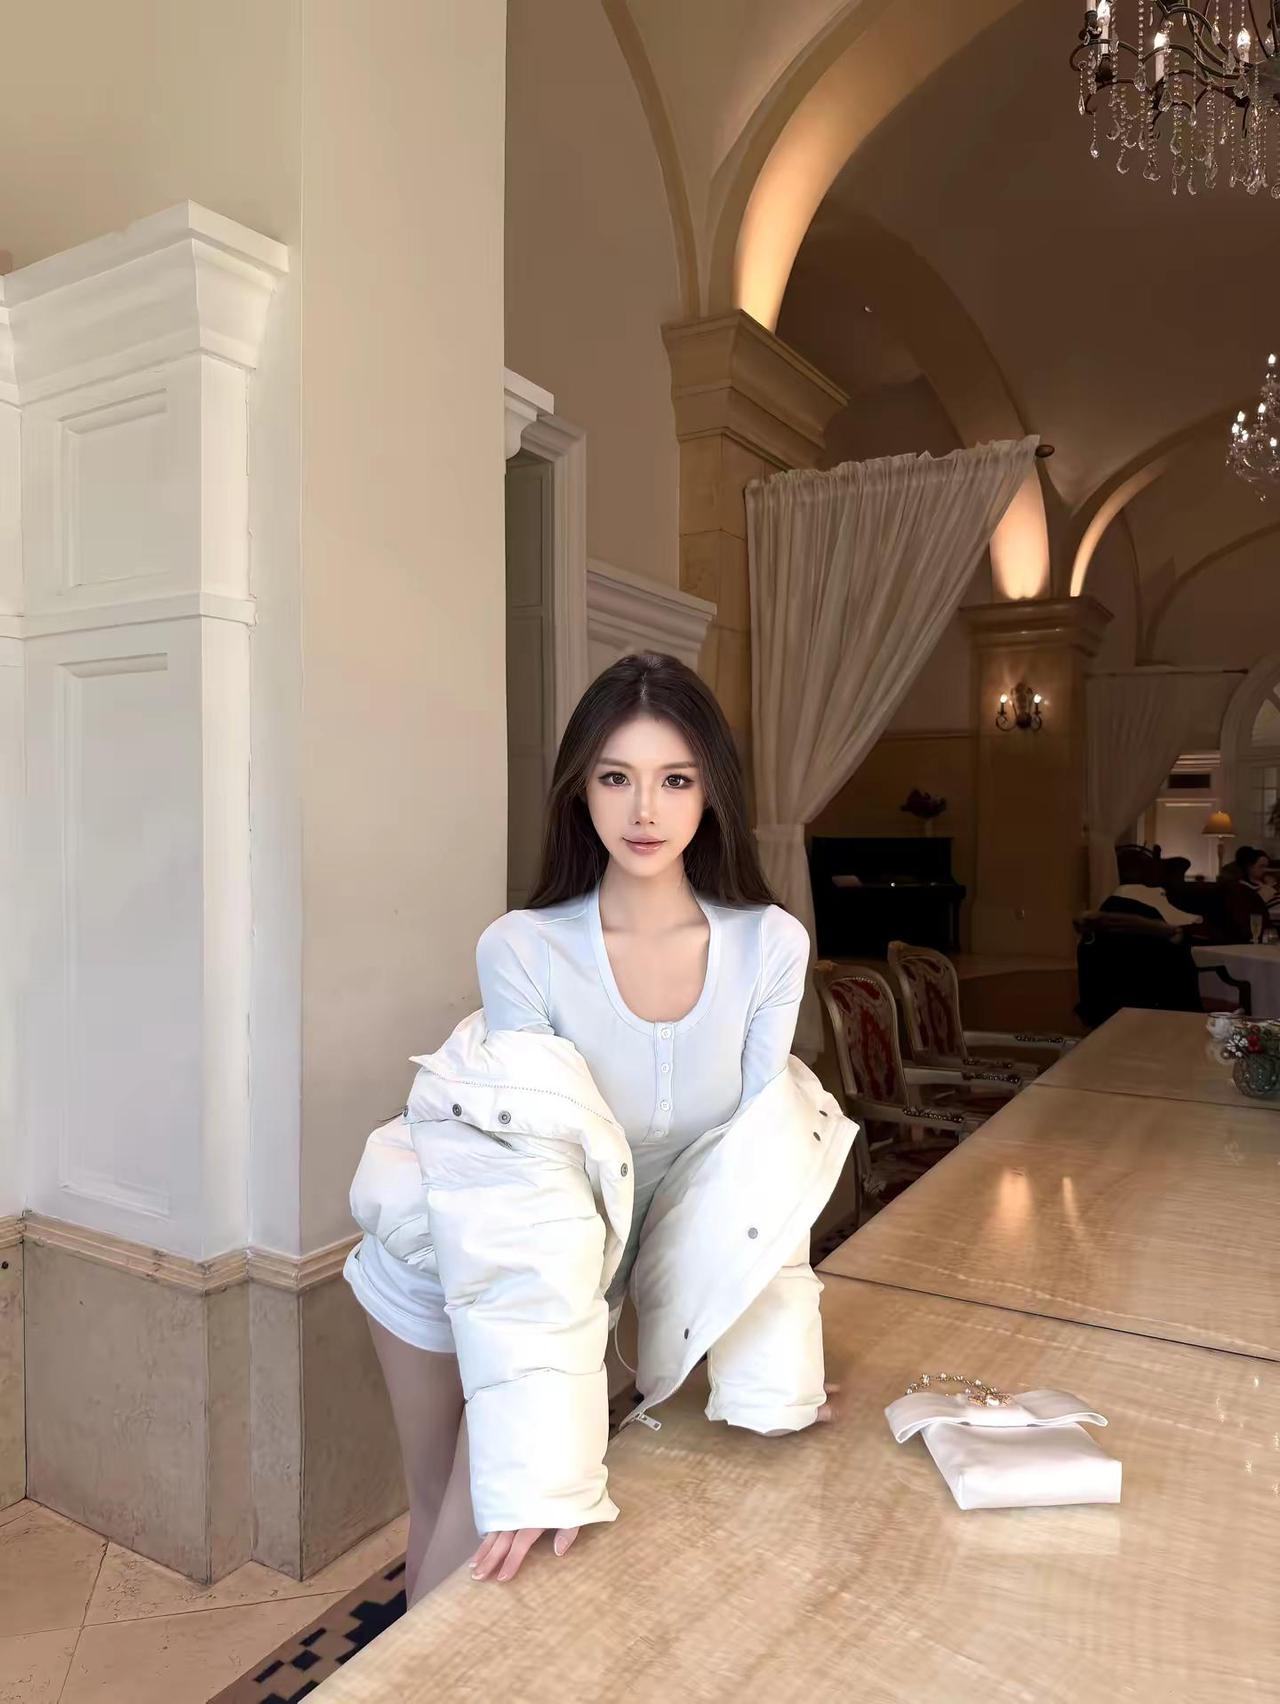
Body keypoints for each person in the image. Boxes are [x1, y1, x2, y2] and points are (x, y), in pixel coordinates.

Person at [343, 652, 856, 1605]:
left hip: (580, 1269)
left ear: (713, 791)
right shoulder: (524, 948)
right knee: (463, 1516)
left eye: (675, 780)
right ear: (581, 791)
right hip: (450, 1246)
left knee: (491, 1525)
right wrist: (536, 1458)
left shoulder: (769, 945)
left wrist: (775, 1377)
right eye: (616, 778)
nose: (644, 810)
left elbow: (757, 1164)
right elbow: (524, 1191)